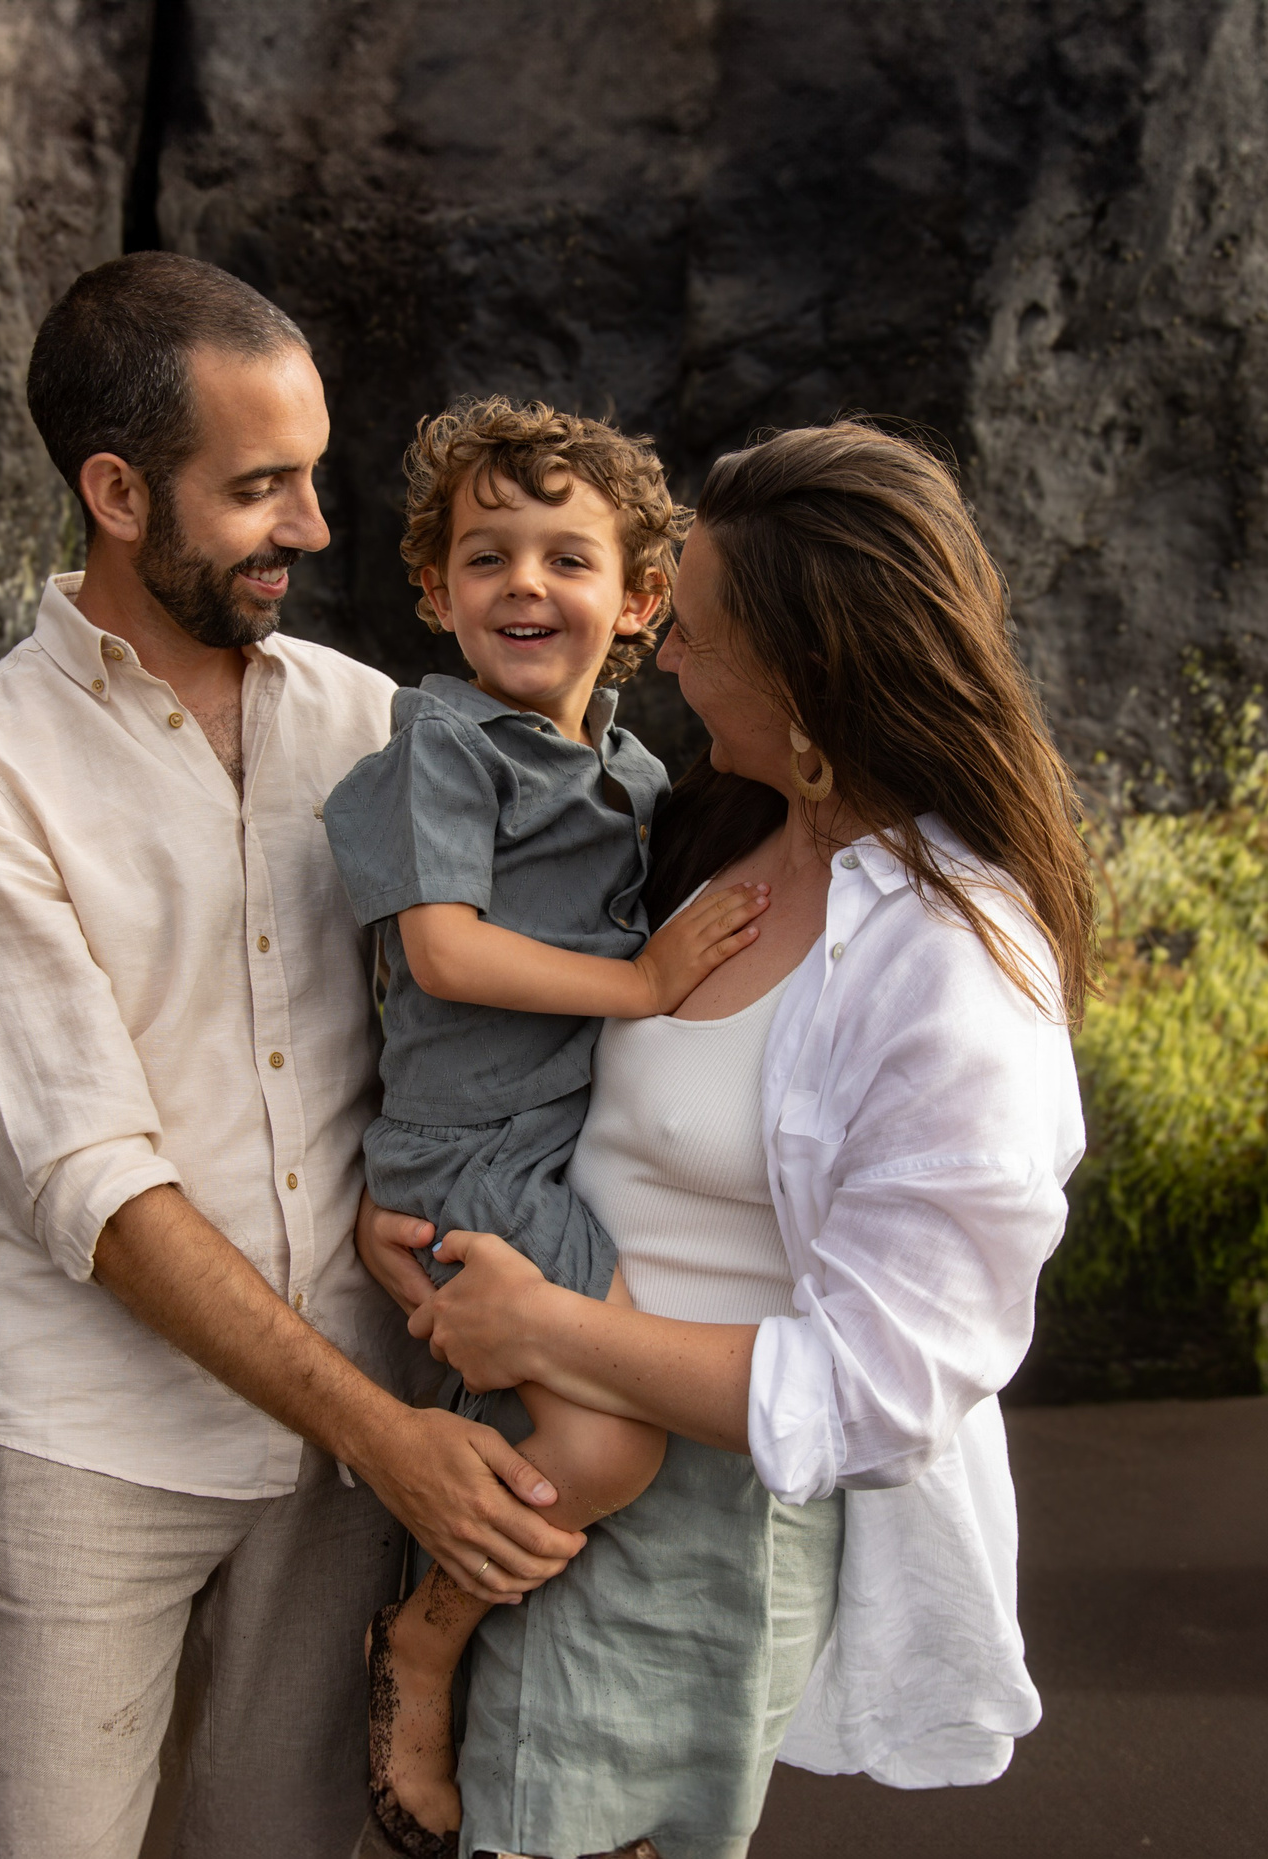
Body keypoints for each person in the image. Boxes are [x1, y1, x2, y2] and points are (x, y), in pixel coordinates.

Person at [0, 252, 587, 1859]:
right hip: (92, 1436)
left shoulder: (372, 725)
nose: (315, 530)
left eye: (316, 477)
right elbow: (92, 1182)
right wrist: (387, 1435)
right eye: (260, 488)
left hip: (357, 1446)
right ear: (120, 490)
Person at [359, 421, 1094, 1859]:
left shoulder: (955, 966)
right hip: (524, 1429)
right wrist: (426, 1248)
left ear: (804, 674)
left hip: (693, 1518)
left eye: (690, 631)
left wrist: (549, 1331)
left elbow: (889, 1385)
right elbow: (535, 1077)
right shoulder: (696, 834)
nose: (664, 661)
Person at [320, 398, 770, 1856]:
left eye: (567, 559)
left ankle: (544, 1734)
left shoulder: (637, 781)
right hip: (467, 1157)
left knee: (581, 1438)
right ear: (436, 592)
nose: (525, 585)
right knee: (610, 1450)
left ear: (641, 602)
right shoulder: (441, 741)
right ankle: (427, 1640)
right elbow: (442, 951)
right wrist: (641, 982)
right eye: (486, 556)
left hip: (553, 1157)